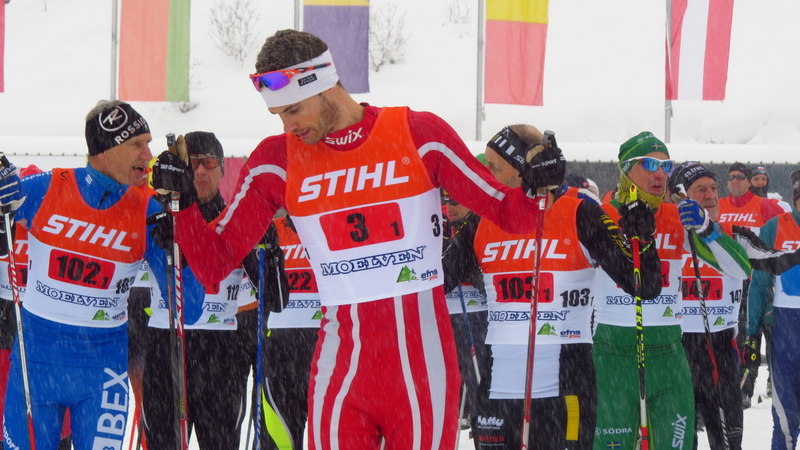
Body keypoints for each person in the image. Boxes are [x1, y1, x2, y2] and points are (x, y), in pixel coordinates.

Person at [151, 29, 565, 449]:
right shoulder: (276, 162)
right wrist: (183, 205)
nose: (289, 126)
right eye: (278, 114)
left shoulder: (419, 134)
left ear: (325, 83)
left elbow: (511, 214)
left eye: (294, 109)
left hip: (422, 370)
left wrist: (540, 183)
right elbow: (214, 264)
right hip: (341, 372)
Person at [461, 124, 661, 449]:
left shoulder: (580, 212)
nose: (485, 174)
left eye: (493, 167)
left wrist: (644, 238)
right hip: (498, 390)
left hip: (565, 385)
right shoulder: (482, 219)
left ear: (521, 170)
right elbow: (440, 275)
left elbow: (645, 285)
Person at [0, 100, 165, 449]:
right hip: (36, 363)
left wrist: (182, 218)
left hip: (104, 371)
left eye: (148, 143)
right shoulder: (47, 188)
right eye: (137, 144)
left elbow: (189, 307)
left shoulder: (149, 209)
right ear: (104, 150)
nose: (148, 155)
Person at [593, 132, 750, 450]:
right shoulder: (599, 216)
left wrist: (707, 228)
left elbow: (740, 269)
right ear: (627, 168)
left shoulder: (676, 217)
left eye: (665, 166)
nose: (660, 174)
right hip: (614, 354)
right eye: (650, 164)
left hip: (668, 354)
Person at [143, 131, 266, 449]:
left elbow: (269, 296)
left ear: (222, 169)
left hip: (221, 351)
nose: (199, 171)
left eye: (208, 163)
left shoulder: (235, 219)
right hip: (166, 344)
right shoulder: (159, 214)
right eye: (192, 164)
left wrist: (262, 253)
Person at [718, 161, 786, 406]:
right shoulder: (718, 205)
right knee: (738, 337)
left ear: (748, 182)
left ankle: (776, 383)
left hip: (759, 281)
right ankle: (741, 387)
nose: (735, 181)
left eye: (740, 177)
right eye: (731, 177)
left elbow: (784, 233)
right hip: (729, 283)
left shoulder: (766, 206)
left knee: (768, 332)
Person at [746, 169, 800, 450]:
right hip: (787, 332)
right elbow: (758, 285)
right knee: (786, 418)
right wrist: (752, 333)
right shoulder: (775, 227)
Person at [440, 188, 488, 431]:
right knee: (447, 375)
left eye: (456, 201)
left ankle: (482, 423)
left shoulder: (481, 226)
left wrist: (469, 270)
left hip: (476, 312)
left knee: (477, 374)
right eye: (446, 201)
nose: (450, 207)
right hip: (447, 312)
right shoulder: (441, 226)